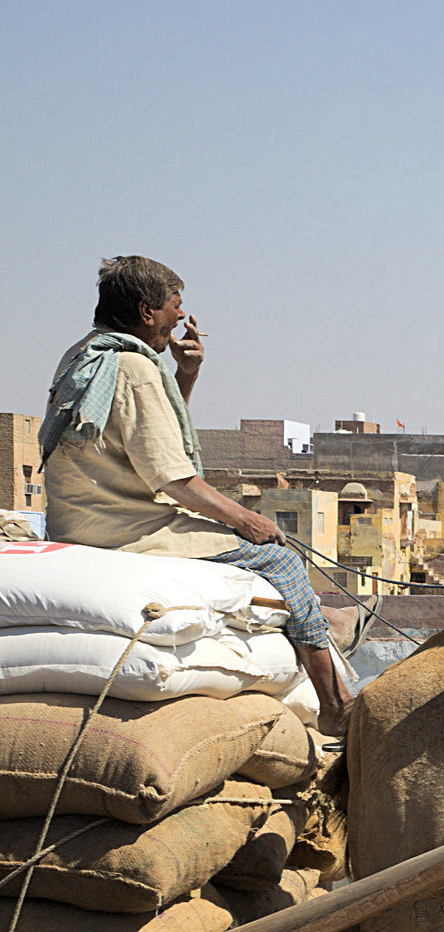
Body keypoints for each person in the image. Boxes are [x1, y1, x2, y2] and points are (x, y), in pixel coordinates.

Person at [40, 256, 350, 730]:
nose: (181, 319)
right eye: (174, 307)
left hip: (82, 520)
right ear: (147, 312)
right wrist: (244, 520)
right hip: (130, 528)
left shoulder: (83, 357)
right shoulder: (132, 368)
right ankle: (335, 704)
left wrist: (185, 375)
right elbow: (172, 477)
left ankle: (321, 625)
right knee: (280, 559)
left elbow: (145, 438)